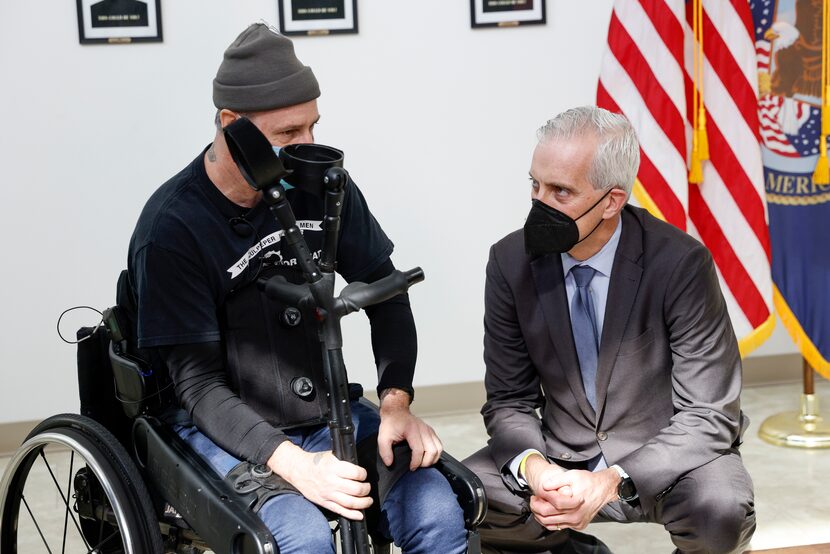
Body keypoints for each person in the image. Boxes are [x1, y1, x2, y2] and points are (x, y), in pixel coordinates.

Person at [127, 22, 466, 553]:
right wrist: (297, 466)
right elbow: (196, 388)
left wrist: (396, 404)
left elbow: (388, 294)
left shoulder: (321, 187)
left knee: (438, 511)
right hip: (217, 428)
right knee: (301, 538)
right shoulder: (174, 228)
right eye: (289, 134)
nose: (308, 146)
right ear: (231, 124)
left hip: (323, 408)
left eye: (313, 126)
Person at [463, 106, 756, 554]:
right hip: (559, 456)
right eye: (535, 185)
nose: (540, 204)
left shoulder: (679, 264)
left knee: (724, 510)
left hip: (663, 456)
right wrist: (539, 469)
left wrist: (611, 481)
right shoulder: (509, 262)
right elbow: (509, 401)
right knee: (459, 496)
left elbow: (709, 413)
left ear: (612, 202)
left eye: (561, 192)